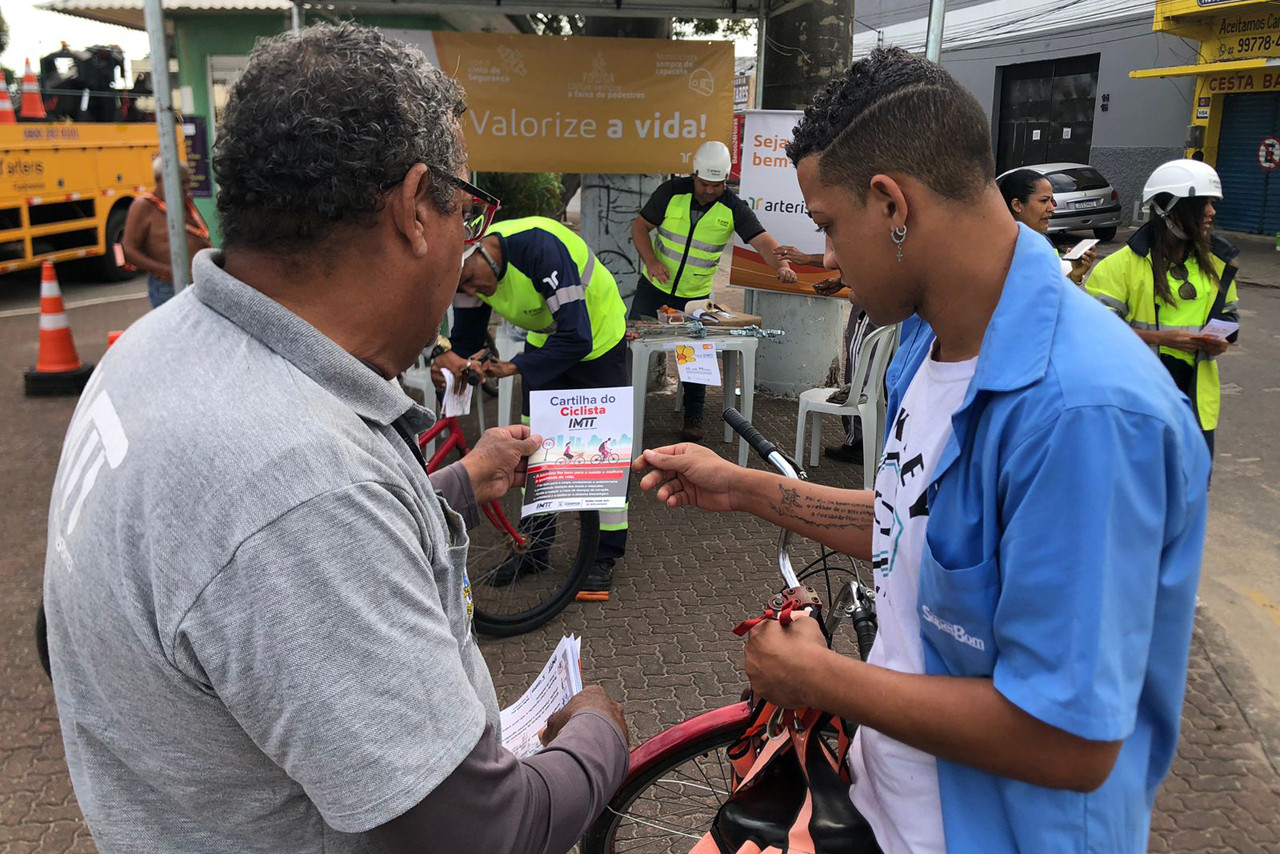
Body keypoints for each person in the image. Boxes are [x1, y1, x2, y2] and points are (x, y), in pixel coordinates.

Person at [43, 25, 628, 854]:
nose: (467, 238)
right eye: (464, 207)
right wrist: (598, 734)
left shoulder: (157, 350)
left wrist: (456, 483)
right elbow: (489, 835)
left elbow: (242, 574)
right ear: (414, 208)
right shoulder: (299, 484)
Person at [632, 47, 1209, 854]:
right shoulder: (925, 347)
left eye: (829, 225)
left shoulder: (1085, 413)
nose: (827, 255)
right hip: (888, 808)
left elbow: (1070, 743)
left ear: (891, 204)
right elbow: (916, 524)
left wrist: (817, 678)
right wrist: (744, 488)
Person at [455, 215, 628, 600]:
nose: (473, 290)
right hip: (550, 340)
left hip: (596, 339)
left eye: (470, 277)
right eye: (463, 287)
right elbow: (466, 339)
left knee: (601, 450)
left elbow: (578, 337)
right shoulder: (465, 272)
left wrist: (515, 367)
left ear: (481, 247)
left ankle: (603, 555)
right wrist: (458, 361)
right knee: (534, 446)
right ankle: (534, 545)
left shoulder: (538, 247)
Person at [630, 141, 798, 441]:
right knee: (631, 346)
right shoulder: (671, 193)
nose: (709, 190)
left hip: (696, 297)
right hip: (653, 288)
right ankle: (623, 409)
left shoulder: (733, 207)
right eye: (704, 183)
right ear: (694, 175)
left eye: (716, 185)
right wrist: (652, 261)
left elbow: (763, 242)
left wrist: (781, 266)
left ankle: (693, 415)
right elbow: (640, 227)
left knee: (695, 354)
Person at [1086, 159, 1240, 457]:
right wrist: (1162, 339)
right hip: (1137, 403)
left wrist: (1221, 341)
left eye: (1212, 203)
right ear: (1168, 211)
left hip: (1196, 404)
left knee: (1190, 495)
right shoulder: (1119, 268)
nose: (1212, 212)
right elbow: (1095, 335)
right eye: (1202, 204)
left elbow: (1230, 317)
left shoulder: (1219, 263)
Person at [774, 244, 880, 464]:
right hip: (881, 300)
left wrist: (805, 259)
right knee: (877, 369)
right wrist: (842, 281)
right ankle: (873, 438)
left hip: (873, 301)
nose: (830, 262)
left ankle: (859, 442)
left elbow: (859, 258)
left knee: (861, 370)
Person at [121, 157, 213, 307]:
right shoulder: (144, 206)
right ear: (159, 180)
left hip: (196, 283)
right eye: (181, 182)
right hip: (167, 287)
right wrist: (168, 271)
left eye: (188, 182)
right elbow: (129, 250)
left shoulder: (184, 202)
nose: (186, 187)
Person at [996, 168, 1095, 285]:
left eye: (1051, 200)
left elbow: (1050, 292)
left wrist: (1074, 275)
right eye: (1044, 201)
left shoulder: (1042, 240)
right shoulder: (1000, 250)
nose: (1051, 208)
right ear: (1017, 205)